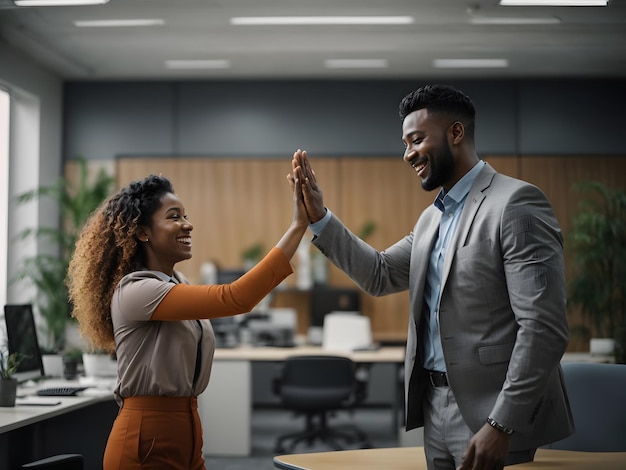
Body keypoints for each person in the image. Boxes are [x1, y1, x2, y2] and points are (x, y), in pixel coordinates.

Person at [291, 84, 574, 470]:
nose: (408, 154)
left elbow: (543, 328)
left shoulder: (516, 203)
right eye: (405, 144)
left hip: (493, 413)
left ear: (456, 133)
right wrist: (320, 218)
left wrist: (502, 423)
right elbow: (380, 274)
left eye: (417, 140)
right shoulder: (432, 218)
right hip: (434, 406)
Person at [66, 163, 308, 469]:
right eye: (173, 217)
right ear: (142, 232)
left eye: (185, 216)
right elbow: (236, 297)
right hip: (146, 434)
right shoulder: (136, 290)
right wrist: (298, 225)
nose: (187, 224)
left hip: (188, 425)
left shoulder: (178, 284)